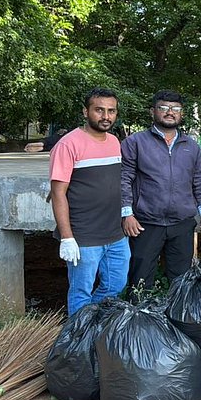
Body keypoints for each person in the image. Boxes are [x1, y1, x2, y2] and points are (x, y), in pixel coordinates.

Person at [49, 88, 130, 315]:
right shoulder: (68, 145)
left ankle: (93, 324)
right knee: (81, 292)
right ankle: (79, 339)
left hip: (114, 233)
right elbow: (58, 193)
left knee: (116, 284)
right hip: (83, 236)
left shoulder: (114, 142)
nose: (106, 116)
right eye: (99, 110)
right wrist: (67, 238)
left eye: (111, 111)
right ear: (86, 112)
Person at [120, 91, 201, 288]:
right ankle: (142, 316)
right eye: (163, 108)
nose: (170, 112)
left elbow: (199, 181)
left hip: (182, 223)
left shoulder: (191, 146)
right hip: (145, 223)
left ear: (182, 114)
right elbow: (124, 179)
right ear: (152, 111)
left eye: (176, 109)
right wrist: (127, 214)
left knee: (181, 283)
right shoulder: (135, 143)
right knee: (141, 281)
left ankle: (176, 318)